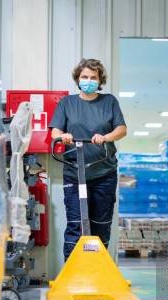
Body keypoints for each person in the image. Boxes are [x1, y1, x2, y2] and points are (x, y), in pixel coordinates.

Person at [49, 58, 127, 261]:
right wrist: (62, 136)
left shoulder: (109, 101)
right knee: (76, 224)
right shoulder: (67, 103)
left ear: (100, 80)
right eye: (85, 76)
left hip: (104, 173)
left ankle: (98, 271)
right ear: (78, 78)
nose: (89, 80)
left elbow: (121, 129)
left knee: (100, 225)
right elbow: (55, 130)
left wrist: (106, 137)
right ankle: (72, 273)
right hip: (75, 173)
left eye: (93, 77)